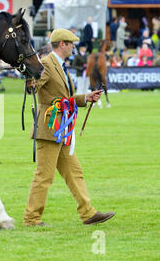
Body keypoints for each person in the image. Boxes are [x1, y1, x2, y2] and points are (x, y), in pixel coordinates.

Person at [23, 28, 115, 227]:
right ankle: (31, 218)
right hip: (50, 127)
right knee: (44, 176)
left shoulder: (60, 65)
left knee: (75, 172)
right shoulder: (47, 64)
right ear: (62, 44)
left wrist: (85, 98)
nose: (74, 46)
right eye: (71, 43)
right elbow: (34, 87)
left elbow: (64, 98)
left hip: (61, 128)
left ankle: (88, 213)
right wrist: (29, 76)